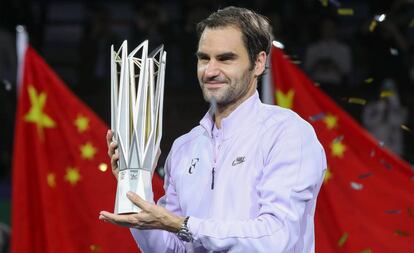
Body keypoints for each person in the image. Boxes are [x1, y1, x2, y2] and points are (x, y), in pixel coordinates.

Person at [100, 6, 326, 253]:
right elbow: (172, 248)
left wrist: (181, 225)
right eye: (204, 58)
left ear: (258, 63)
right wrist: (135, 185)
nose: (210, 71)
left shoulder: (288, 134)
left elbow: (275, 238)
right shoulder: (184, 147)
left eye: (225, 58)